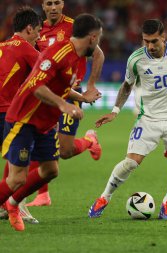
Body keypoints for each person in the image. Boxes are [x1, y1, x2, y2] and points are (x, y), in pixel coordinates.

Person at [88, 19, 167, 219]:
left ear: (164, 37)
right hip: (147, 118)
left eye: (154, 41)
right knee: (131, 163)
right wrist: (115, 111)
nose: (150, 46)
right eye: (145, 41)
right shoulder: (136, 59)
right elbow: (126, 86)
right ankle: (104, 197)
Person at [0, 13, 102, 232]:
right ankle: (9, 203)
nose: (99, 44)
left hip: (44, 124)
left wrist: (82, 98)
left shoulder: (77, 56)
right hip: (24, 119)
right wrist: (63, 105)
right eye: (99, 39)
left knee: (50, 170)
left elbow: (61, 87)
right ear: (93, 37)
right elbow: (37, 86)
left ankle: (12, 203)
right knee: (17, 178)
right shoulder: (58, 52)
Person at [25, 0, 105, 207]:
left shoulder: (74, 26)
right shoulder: (36, 30)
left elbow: (99, 54)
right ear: (43, 6)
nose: (53, 7)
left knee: (65, 151)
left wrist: (91, 86)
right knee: (38, 142)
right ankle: (43, 195)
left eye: (57, 3)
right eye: (49, 3)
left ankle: (89, 141)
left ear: (62, 5)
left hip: (70, 94)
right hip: (45, 95)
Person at [0, 6, 42, 224]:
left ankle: (7, 206)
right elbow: (48, 72)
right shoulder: (26, 49)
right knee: (20, 166)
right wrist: (78, 96)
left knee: (12, 161)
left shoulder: (2, 45)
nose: (39, 35)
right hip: (7, 112)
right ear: (28, 28)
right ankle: (16, 207)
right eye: (37, 30)